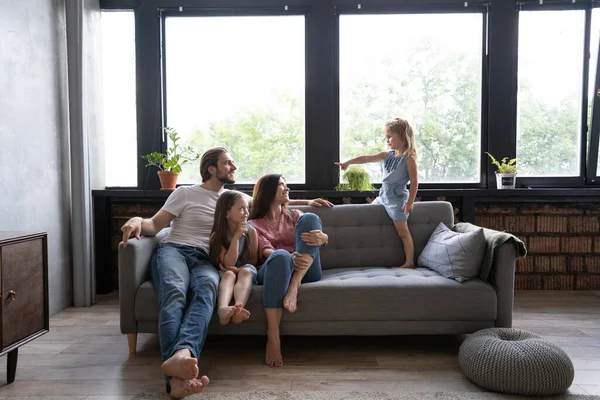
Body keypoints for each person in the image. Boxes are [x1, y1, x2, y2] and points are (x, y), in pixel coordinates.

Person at [120, 147, 332, 398]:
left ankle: (183, 354)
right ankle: (175, 378)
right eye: (228, 163)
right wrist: (136, 219)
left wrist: (308, 202)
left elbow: (268, 200)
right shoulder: (185, 193)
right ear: (212, 168)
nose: (234, 167)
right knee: (175, 294)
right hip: (174, 250)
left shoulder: (234, 198)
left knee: (205, 295)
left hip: (206, 258)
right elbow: (155, 224)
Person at [249, 174, 329, 368]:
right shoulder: (254, 224)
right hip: (275, 270)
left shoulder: (296, 216)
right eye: (281, 185)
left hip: (306, 270)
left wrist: (324, 238)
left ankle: (295, 283)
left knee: (311, 217)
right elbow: (265, 250)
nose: (287, 188)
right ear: (268, 192)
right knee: (281, 256)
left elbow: (316, 238)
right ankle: (273, 338)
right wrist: (286, 255)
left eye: (286, 184)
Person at [335, 117, 419, 268]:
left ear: (402, 135)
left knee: (403, 233)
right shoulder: (387, 155)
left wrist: (410, 202)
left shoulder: (409, 158)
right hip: (383, 196)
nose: (387, 140)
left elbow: (414, 182)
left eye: (390, 136)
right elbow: (366, 158)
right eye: (386, 137)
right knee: (367, 213)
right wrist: (348, 162)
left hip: (397, 199)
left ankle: (409, 262)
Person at [209, 190, 258, 326]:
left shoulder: (251, 231)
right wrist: (236, 237)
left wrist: (239, 269)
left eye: (247, 208)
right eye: (241, 208)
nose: (247, 212)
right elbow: (228, 263)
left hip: (245, 268)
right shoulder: (217, 236)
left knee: (246, 271)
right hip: (227, 270)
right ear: (227, 213)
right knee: (228, 274)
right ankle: (223, 309)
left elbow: (253, 260)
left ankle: (238, 308)